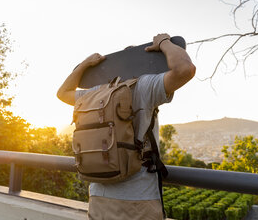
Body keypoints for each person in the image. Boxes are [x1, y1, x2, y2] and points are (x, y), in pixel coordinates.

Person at [57, 33, 195, 220]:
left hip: (98, 195)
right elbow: (185, 69)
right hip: (138, 199)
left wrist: (84, 65)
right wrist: (163, 42)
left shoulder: (93, 94)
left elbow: (62, 93)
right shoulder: (144, 85)